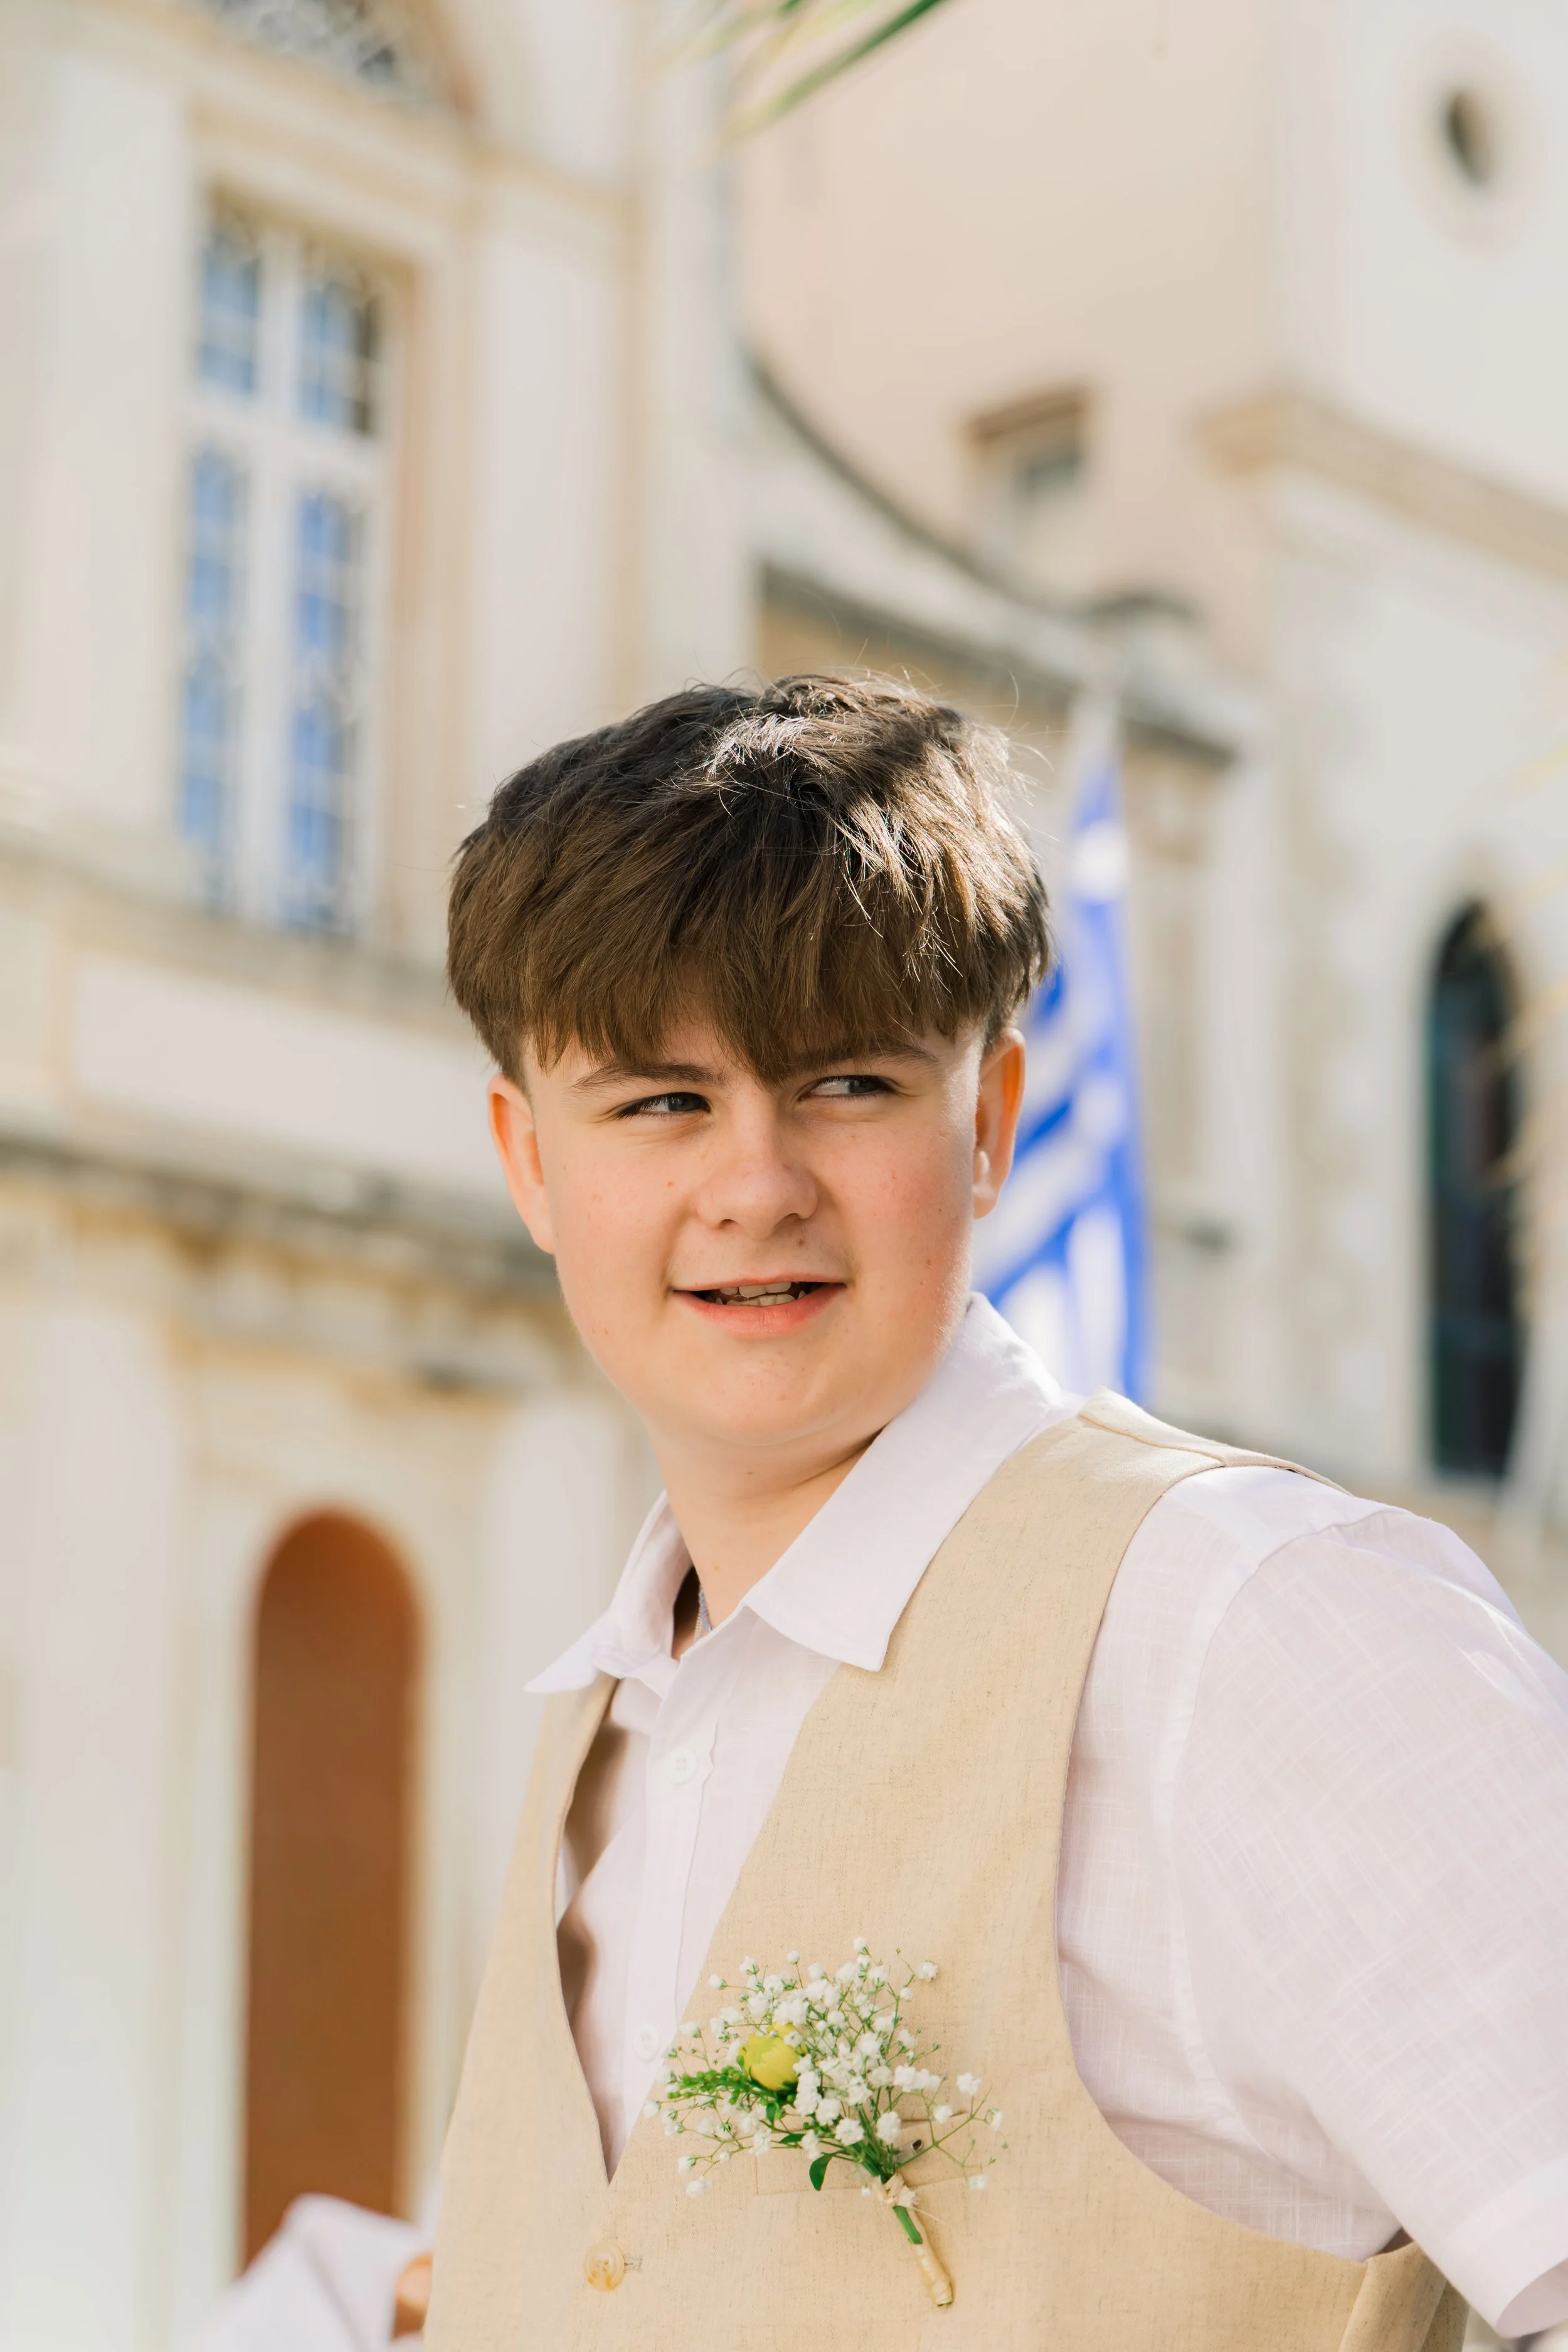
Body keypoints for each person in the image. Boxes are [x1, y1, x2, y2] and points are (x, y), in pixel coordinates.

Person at [422, 675, 1568, 2349]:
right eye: (661, 1100)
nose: (754, 1182)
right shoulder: (592, 1722)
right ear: (530, 1159)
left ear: (992, 1123)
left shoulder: (1247, 1621)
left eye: (840, 1084)